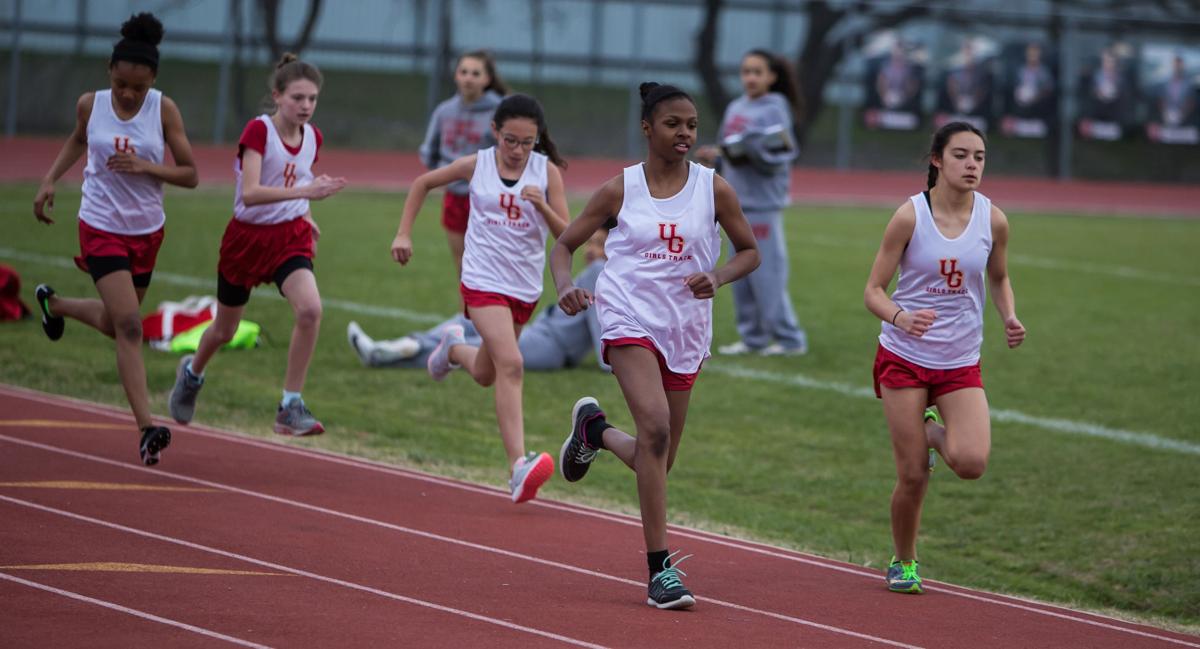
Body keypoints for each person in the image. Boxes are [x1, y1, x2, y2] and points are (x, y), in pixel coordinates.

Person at [551, 83, 759, 609]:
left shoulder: (715, 190)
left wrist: (719, 275)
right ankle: (660, 571)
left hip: (686, 327)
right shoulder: (620, 189)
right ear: (648, 128)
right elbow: (564, 245)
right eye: (673, 124)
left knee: (658, 461)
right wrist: (565, 287)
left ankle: (593, 431)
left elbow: (750, 251)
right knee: (656, 428)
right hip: (626, 315)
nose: (684, 133)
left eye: (691, 124)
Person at [863, 122, 1026, 594]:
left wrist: (1009, 316)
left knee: (971, 462)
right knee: (912, 475)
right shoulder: (909, 217)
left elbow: (998, 278)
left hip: (959, 360)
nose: (972, 164)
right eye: (961, 155)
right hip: (904, 357)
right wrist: (900, 317)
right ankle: (904, 561)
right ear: (937, 160)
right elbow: (873, 291)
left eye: (979, 156)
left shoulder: (993, 219)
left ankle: (930, 431)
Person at [31, 13, 198, 466]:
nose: (128, 94)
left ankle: (56, 304)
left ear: (153, 82)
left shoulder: (164, 110)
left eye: (138, 88)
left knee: (114, 322)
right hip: (100, 226)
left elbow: (190, 174)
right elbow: (78, 139)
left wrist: (149, 167)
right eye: (122, 83)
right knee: (129, 326)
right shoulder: (92, 104)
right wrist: (49, 180)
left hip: (145, 231)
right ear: (110, 71)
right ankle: (147, 428)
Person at [391, 94, 570, 504]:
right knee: (512, 364)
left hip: (523, 286)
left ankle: (453, 349)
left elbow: (567, 234)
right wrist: (403, 233)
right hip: (481, 280)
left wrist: (542, 206)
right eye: (510, 140)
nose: (517, 150)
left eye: (527, 142)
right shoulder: (478, 164)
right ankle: (517, 467)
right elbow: (423, 183)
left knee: (488, 373)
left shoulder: (547, 174)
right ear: (495, 132)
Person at [168, 53, 346, 436]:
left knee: (311, 310)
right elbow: (250, 193)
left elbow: (298, 175)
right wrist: (306, 192)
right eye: (297, 97)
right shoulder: (258, 131)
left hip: (289, 237)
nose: (305, 106)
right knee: (224, 330)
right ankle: (192, 373)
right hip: (246, 241)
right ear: (277, 95)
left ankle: (289, 404)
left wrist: (308, 214)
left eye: (312, 99)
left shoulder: (313, 137)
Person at [349, 226, 611, 372]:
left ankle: (386, 354)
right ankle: (408, 344)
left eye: (599, 244)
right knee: (468, 320)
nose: (590, 250)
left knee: (475, 343)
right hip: (540, 332)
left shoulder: (601, 273)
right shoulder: (598, 273)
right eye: (590, 243)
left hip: (550, 347)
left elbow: (604, 349)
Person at [697, 49, 806, 357]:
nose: (751, 78)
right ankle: (754, 337)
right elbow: (729, 153)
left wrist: (752, 148)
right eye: (746, 71)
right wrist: (716, 156)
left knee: (766, 273)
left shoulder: (776, 107)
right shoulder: (735, 107)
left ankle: (788, 338)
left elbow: (780, 154)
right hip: (735, 204)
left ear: (771, 76)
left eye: (758, 72)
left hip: (761, 206)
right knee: (741, 274)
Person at [419, 51, 507, 279]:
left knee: (490, 266)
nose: (468, 78)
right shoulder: (444, 111)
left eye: (475, 73)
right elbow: (429, 151)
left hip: (489, 199)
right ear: (456, 76)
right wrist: (445, 175)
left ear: (487, 79)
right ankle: (466, 315)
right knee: (462, 266)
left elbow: (512, 152)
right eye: (464, 72)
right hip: (455, 199)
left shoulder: (501, 110)